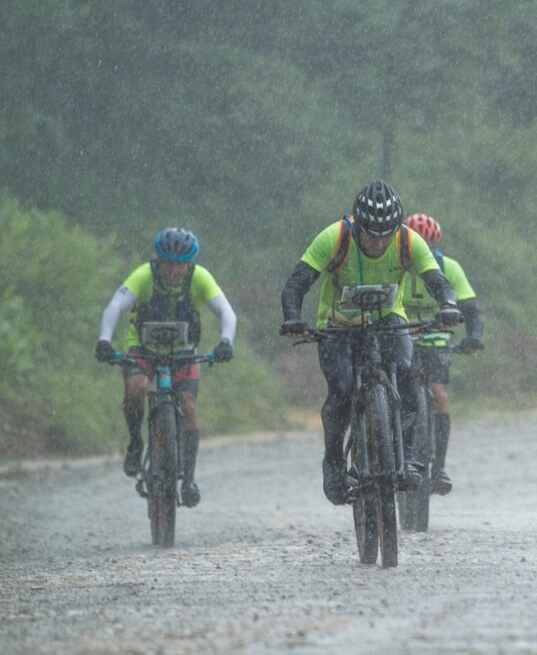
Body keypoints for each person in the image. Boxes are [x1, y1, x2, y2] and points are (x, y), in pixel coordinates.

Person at [279, 180, 463, 506]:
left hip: (389, 320)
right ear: (357, 225)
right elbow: (297, 283)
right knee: (343, 388)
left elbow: (438, 281)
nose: (378, 242)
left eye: (385, 234)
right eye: (371, 234)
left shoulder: (408, 241)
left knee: (407, 373)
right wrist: (293, 317)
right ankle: (334, 462)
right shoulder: (335, 238)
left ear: (396, 228)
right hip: (337, 325)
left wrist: (449, 305)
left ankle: (405, 454)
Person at [94, 228, 237, 507]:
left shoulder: (200, 278)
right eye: (167, 263)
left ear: (190, 263)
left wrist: (225, 341)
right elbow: (115, 307)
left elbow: (226, 312)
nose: (173, 270)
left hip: (183, 353)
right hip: (143, 349)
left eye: (180, 263)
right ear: (158, 262)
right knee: (137, 387)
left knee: (189, 406)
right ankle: (136, 441)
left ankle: (189, 479)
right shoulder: (144, 275)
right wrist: (104, 340)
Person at [402, 212, 484, 495]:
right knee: (401, 390)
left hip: (436, 340)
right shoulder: (396, 265)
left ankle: (439, 468)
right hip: (403, 336)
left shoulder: (448, 267)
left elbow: (471, 308)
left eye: (428, 245)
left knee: (439, 394)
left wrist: (474, 337)